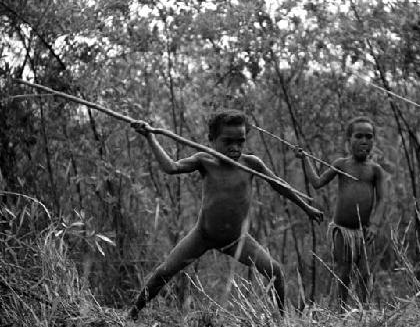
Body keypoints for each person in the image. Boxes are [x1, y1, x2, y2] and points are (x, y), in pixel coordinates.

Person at [127, 109, 323, 320]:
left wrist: (307, 208)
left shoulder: (251, 164)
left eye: (240, 142)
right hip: (203, 236)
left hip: (238, 239)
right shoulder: (204, 160)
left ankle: (282, 320)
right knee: (163, 273)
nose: (235, 148)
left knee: (274, 271)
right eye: (227, 141)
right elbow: (171, 167)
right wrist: (150, 137)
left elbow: (279, 185)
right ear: (212, 140)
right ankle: (131, 315)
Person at [295, 116, 385, 311]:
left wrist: (375, 225)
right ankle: (342, 312)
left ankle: (365, 312)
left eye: (368, 137)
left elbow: (382, 200)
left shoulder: (375, 170)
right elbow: (317, 183)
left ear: (373, 141)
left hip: (364, 232)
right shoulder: (342, 165)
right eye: (358, 136)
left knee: (364, 273)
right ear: (348, 140)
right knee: (343, 271)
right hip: (341, 231)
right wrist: (306, 160)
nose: (364, 141)